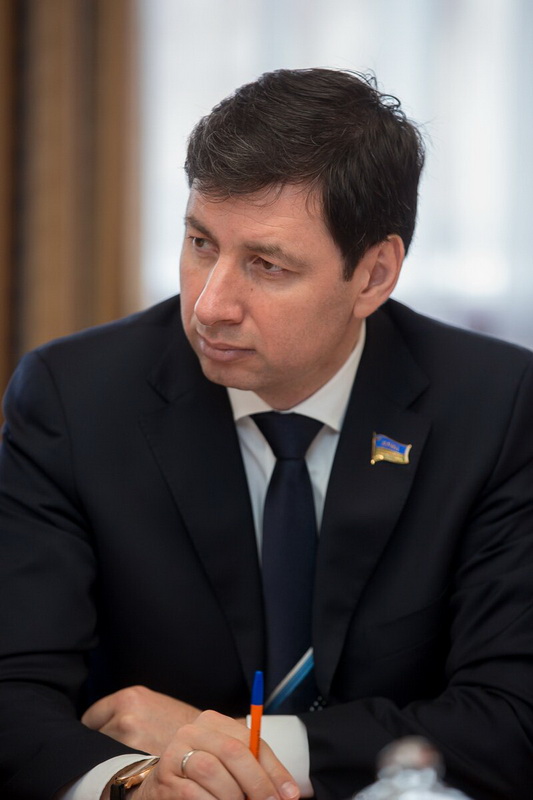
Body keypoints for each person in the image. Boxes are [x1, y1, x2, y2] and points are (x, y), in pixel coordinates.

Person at [1, 68, 533, 800]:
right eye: (200, 243)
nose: (210, 305)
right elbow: (13, 690)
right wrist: (133, 783)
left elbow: (512, 719)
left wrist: (236, 748)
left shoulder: (497, 406)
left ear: (373, 276)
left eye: (267, 265)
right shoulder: (74, 397)